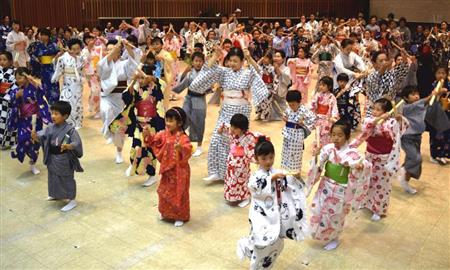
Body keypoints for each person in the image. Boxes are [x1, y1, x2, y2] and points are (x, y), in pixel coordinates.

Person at [237, 136, 309, 269]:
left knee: (276, 243)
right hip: (262, 215)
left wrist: (295, 178)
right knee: (261, 241)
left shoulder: (276, 172)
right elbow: (254, 187)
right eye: (264, 158)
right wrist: (271, 178)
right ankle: (253, 259)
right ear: (257, 159)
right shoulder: (256, 176)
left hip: (276, 214)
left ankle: (265, 264)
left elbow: (288, 184)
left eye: (271, 157)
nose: (268, 161)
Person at [307, 120, 371, 250]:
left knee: (336, 215)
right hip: (325, 185)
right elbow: (318, 167)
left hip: (341, 189)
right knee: (319, 210)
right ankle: (320, 233)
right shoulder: (327, 148)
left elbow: (365, 165)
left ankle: (334, 238)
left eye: (340, 135)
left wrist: (360, 166)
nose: (335, 138)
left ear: (347, 137)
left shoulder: (352, 153)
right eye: (333, 134)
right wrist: (316, 156)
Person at [111, 52, 165, 187]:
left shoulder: (156, 87)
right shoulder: (137, 88)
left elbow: (159, 83)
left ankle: (152, 175)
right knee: (136, 147)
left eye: (142, 78)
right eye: (138, 79)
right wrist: (134, 80)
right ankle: (133, 165)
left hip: (151, 126)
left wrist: (149, 77)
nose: (140, 81)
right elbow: (126, 97)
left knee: (150, 151)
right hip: (138, 125)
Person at [350, 98, 409, 221]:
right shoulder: (369, 120)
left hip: (384, 157)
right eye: (374, 109)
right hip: (369, 156)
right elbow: (366, 129)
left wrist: (398, 118)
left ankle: (379, 209)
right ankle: (366, 202)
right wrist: (378, 119)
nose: (374, 111)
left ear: (386, 111)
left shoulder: (391, 123)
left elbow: (403, 127)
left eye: (378, 110)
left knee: (381, 185)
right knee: (367, 180)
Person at [144, 107, 192, 227]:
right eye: (167, 120)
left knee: (179, 193)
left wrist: (180, 148)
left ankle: (180, 215)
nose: (168, 123)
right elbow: (153, 142)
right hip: (167, 170)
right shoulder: (163, 134)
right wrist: (147, 135)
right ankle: (165, 213)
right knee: (164, 192)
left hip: (179, 171)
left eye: (171, 121)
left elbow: (188, 149)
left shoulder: (183, 138)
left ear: (179, 123)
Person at [31, 101, 83, 212]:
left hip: (64, 158)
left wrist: (69, 146)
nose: (53, 116)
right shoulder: (50, 127)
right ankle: (55, 194)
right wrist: (35, 136)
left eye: (56, 114)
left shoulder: (70, 130)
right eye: (52, 113)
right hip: (52, 157)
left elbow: (77, 142)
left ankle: (72, 199)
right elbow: (42, 137)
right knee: (53, 177)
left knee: (66, 179)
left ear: (65, 116)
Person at [397, 85, 447, 194]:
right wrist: (432, 94)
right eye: (413, 94)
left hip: (417, 137)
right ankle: (403, 171)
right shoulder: (406, 108)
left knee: (413, 162)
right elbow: (422, 102)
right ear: (406, 98)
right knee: (416, 158)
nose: (416, 96)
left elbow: (430, 104)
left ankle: (405, 181)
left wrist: (437, 94)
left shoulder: (419, 106)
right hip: (407, 138)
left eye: (417, 94)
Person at [97, 38, 138, 164]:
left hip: (120, 98)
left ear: (119, 51)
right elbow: (101, 70)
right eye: (108, 50)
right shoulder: (103, 63)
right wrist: (115, 48)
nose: (110, 52)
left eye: (113, 49)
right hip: (107, 96)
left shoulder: (124, 63)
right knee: (105, 111)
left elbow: (133, 61)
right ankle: (109, 131)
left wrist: (126, 46)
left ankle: (119, 152)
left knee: (120, 127)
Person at [7, 67, 51, 174]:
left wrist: (34, 82)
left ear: (27, 77)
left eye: (21, 78)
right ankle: (19, 151)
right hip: (24, 120)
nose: (18, 80)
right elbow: (11, 101)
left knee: (36, 142)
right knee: (23, 139)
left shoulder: (35, 87)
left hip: (36, 118)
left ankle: (32, 164)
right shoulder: (17, 90)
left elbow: (43, 93)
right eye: (17, 78)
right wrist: (16, 96)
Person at [218, 114, 261, 207]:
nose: (232, 129)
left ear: (242, 129)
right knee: (231, 179)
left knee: (242, 180)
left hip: (242, 163)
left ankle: (246, 197)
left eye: (235, 128)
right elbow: (224, 127)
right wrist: (220, 131)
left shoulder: (249, 137)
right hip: (231, 161)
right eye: (232, 126)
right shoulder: (232, 131)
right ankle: (233, 196)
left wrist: (257, 159)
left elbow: (258, 141)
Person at [172, 52, 206, 157]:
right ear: (192, 62)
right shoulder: (190, 73)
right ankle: (184, 143)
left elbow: (210, 86)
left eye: (200, 61)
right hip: (189, 98)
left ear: (203, 62)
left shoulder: (206, 74)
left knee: (199, 122)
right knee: (183, 118)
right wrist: (172, 89)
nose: (198, 63)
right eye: (196, 61)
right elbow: (181, 85)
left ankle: (199, 146)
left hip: (200, 99)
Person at [51, 38, 85, 129]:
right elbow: (58, 69)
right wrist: (58, 57)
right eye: (73, 49)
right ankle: (66, 122)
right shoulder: (63, 58)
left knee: (77, 104)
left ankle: (77, 123)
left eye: (78, 49)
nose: (76, 51)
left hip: (77, 84)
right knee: (66, 101)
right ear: (69, 49)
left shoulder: (81, 58)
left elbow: (82, 71)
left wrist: (75, 58)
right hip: (67, 84)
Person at [364, 50, 409, 117]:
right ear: (374, 63)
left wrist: (405, 58)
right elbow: (377, 75)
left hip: (388, 112)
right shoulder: (371, 76)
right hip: (374, 112)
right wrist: (385, 66)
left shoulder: (391, 74)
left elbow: (402, 71)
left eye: (385, 60)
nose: (384, 62)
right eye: (381, 61)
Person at [281, 90, 316, 173]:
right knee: (285, 152)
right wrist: (285, 119)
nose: (291, 106)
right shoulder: (288, 109)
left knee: (295, 154)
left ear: (299, 102)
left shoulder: (304, 110)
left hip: (297, 136)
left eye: (293, 104)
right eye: (289, 104)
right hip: (287, 134)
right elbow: (285, 115)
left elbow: (314, 120)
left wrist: (303, 123)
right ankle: (286, 170)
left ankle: (296, 172)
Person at [28, 28, 60, 105]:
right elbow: (33, 55)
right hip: (43, 69)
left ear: (48, 36)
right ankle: (49, 103)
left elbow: (59, 54)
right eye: (42, 35)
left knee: (54, 86)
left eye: (45, 35)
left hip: (53, 69)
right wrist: (37, 60)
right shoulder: (38, 45)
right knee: (45, 87)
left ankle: (56, 104)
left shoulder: (54, 45)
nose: (43, 37)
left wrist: (56, 58)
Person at [428, 67, 450, 165]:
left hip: (446, 112)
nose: (441, 75)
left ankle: (443, 154)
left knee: (446, 134)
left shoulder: (448, 84)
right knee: (435, 134)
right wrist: (439, 93)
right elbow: (431, 100)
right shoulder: (433, 85)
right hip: (436, 113)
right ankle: (434, 155)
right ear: (435, 74)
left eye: (443, 73)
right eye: (438, 73)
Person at [310, 76, 339, 147]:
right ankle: (318, 147)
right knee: (318, 133)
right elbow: (313, 105)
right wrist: (313, 106)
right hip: (319, 118)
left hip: (327, 119)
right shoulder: (318, 95)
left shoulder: (332, 97)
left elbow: (334, 108)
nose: (321, 87)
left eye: (323, 85)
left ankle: (326, 148)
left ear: (329, 86)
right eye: (320, 85)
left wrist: (333, 116)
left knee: (326, 134)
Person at [81, 33, 102, 119]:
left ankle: (97, 109)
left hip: (99, 73)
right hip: (90, 74)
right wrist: (89, 50)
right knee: (95, 91)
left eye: (91, 38)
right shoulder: (84, 51)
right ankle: (96, 109)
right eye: (87, 39)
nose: (89, 40)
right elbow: (84, 62)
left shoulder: (98, 48)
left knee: (97, 91)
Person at [0, 51, 17, 149]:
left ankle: (8, 142)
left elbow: (17, 85)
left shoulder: (15, 72)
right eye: (0, 60)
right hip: (0, 100)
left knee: (9, 120)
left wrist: (8, 95)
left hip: (10, 100)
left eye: (5, 60)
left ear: (11, 61)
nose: (2, 62)